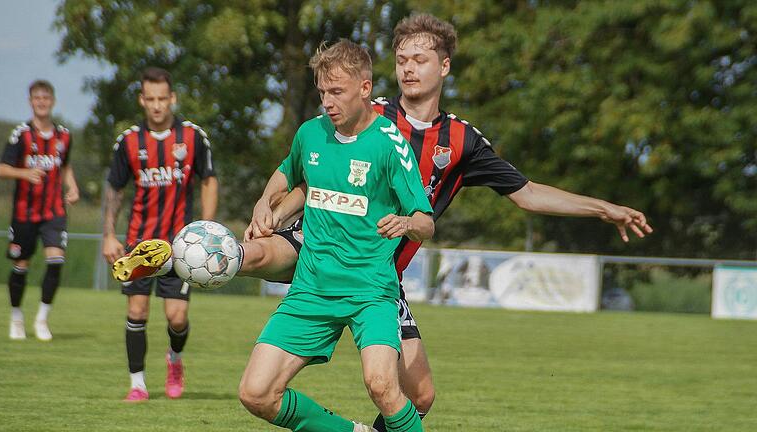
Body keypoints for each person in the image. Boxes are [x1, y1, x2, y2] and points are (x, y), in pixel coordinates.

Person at [120, 13, 653, 428]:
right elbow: (308, 173)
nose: (408, 67)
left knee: (419, 396)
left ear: (444, 67)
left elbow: (529, 193)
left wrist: (604, 208)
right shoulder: (363, 111)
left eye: (420, 58)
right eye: (401, 57)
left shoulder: (461, 141)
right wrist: (274, 203)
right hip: (323, 245)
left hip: (378, 275)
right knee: (256, 253)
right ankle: (177, 253)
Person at [239, 39, 433, 432]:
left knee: (382, 386)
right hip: (311, 289)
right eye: (323, 91)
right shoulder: (310, 134)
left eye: (337, 91)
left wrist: (407, 223)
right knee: (255, 393)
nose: (327, 101)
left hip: (371, 291)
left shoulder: (390, 143)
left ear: (364, 89)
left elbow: (426, 221)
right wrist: (264, 200)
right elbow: (287, 174)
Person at [102, 67, 219, 402]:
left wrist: (206, 228)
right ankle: (137, 384)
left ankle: (174, 359)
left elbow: (209, 179)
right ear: (142, 100)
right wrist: (109, 235)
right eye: (150, 99)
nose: (156, 106)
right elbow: (114, 190)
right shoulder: (128, 142)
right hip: (139, 244)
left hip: (179, 246)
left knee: (177, 317)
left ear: (173, 98)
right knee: (136, 312)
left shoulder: (193, 137)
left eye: (162, 99)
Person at [0, 79, 79, 341]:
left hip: (54, 211)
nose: (41, 102)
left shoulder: (63, 135)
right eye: (37, 98)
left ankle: (42, 319)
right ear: (31, 102)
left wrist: (73, 187)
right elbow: (1, 169)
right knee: (21, 265)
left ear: (52, 101)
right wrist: (24, 172)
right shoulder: (21, 134)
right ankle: (16, 317)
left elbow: (65, 166)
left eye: (45, 98)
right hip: (25, 212)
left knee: (56, 262)